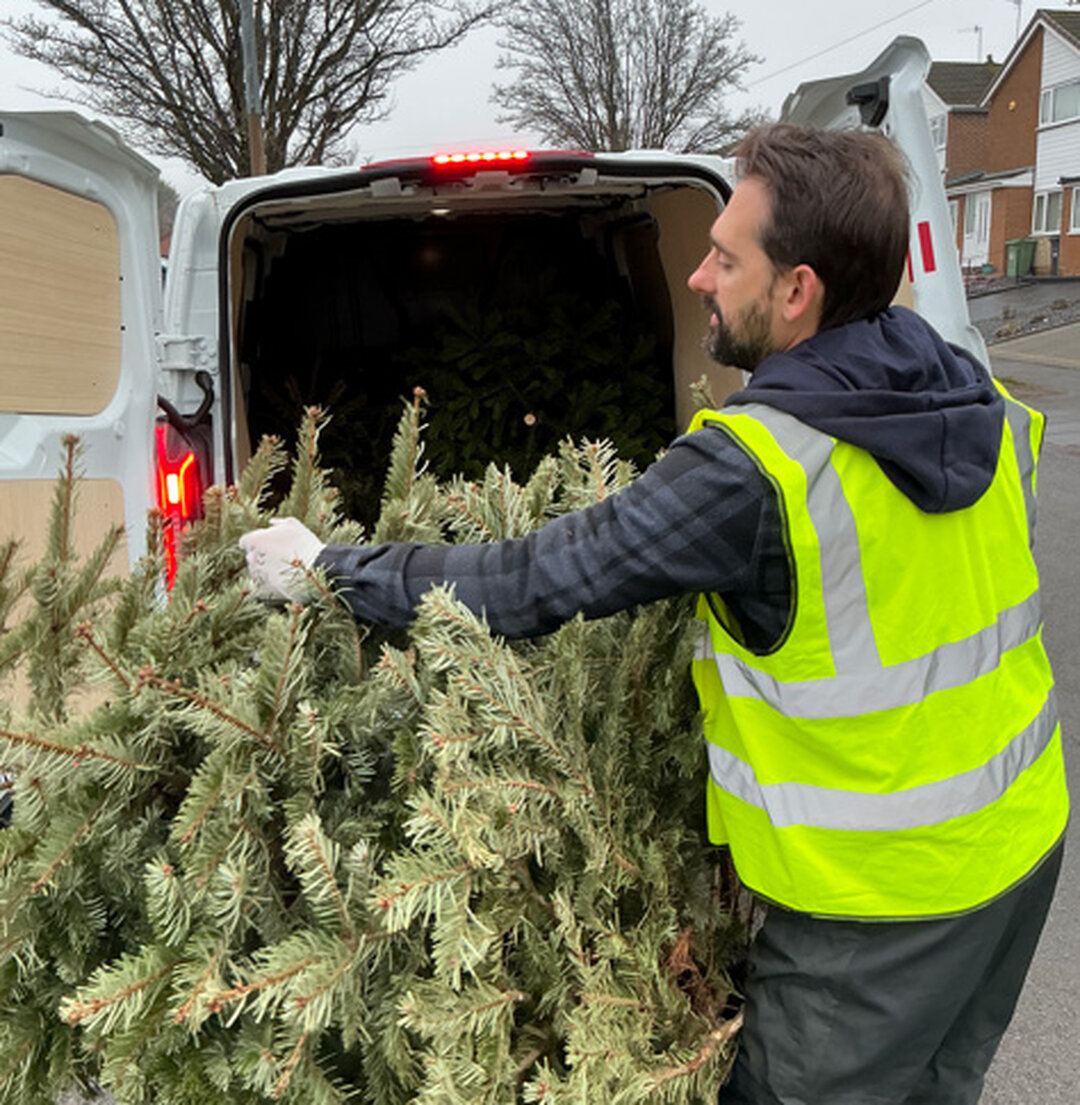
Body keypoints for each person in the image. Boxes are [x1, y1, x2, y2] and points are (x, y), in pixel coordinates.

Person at [239, 123, 1068, 1105]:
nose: (699, 280)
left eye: (724, 259)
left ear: (797, 290)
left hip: (878, 906)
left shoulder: (761, 470)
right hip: (1020, 849)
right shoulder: (965, 394)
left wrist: (329, 567)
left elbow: (528, 580)